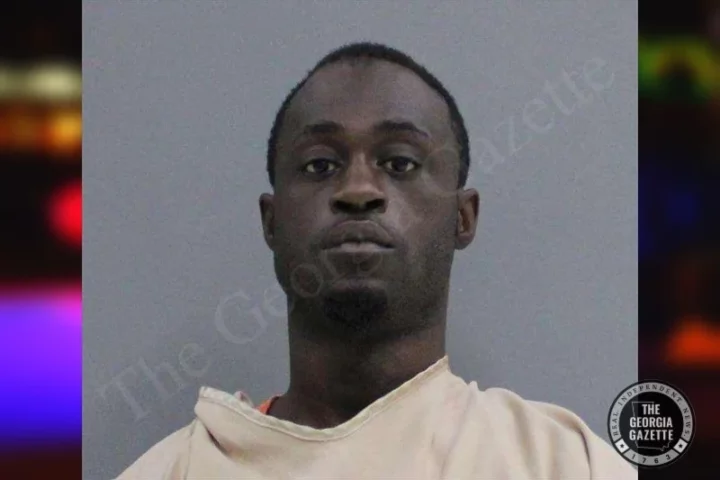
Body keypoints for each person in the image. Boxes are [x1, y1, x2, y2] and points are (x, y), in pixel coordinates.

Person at [117, 42, 636, 479]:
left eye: (400, 162)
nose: (358, 189)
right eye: (320, 165)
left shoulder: (564, 464)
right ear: (271, 223)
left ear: (462, 218)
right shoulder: (173, 471)